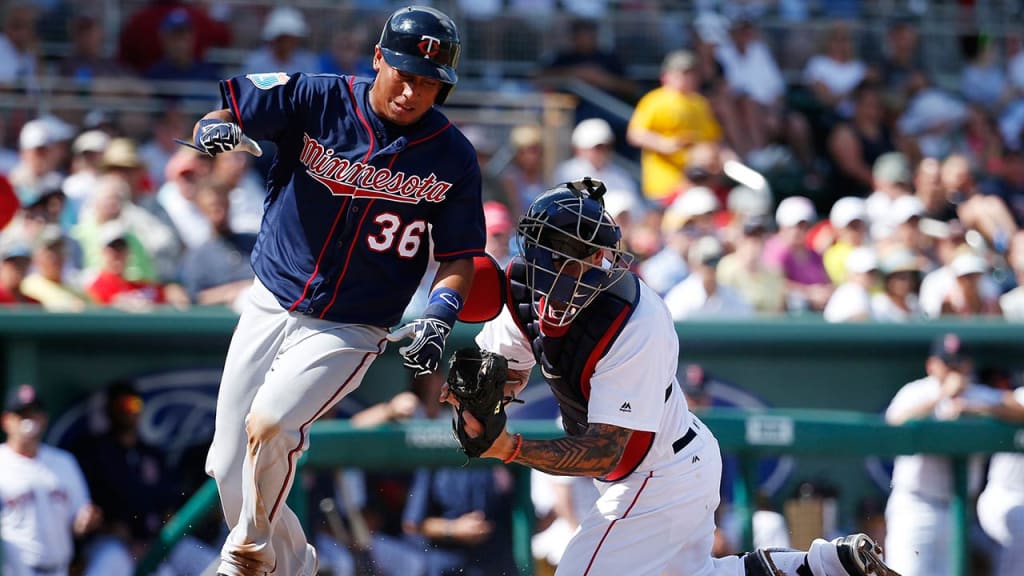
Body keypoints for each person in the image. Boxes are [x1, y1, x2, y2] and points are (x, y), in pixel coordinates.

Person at [454, 178, 899, 576]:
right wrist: (479, 400)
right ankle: (827, 567)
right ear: (537, 252)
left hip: (658, 472)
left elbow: (608, 450)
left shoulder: (635, 316)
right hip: (667, 462)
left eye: (597, 252)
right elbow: (506, 369)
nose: (594, 262)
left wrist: (509, 447)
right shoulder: (520, 289)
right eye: (573, 254)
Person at [195, 6, 485, 576]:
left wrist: (438, 317)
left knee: (273, 425)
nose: (412, 90)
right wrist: (215, 124)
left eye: (429, 81)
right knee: (229, 466)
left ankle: (247, 556)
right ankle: (296, 567)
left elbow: (459, 258)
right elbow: (234, 108)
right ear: (378, 59)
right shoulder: (318, 97)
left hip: (350, 325)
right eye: (404, 72)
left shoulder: (452, 156)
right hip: (271, 297)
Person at [884, 333, 1007, 576]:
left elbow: (1015, 409)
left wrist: (978, 410)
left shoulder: (979, 396)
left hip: (959, 511)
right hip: (916, 506)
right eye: (947, 362)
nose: (954, 368)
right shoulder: (917, 392)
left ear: (969, 365)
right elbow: (892, 424)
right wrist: (941, 396)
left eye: (959, 362)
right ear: (932, 365)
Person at [0, 384, 103, 576]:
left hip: (59, 569)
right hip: (15, 570)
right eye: (22, 415)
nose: (29, 421)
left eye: (34, 414)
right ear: (6, 421)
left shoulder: (64, 462)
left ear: (44, 419)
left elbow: (78, 521)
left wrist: (85, 520)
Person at [628, 50, 723, 204]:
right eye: (682, 73)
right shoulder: (655, 100)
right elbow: (635, 134)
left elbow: (713, 139)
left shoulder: (700, 103)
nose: (688, 78)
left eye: (691, 73)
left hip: (696, 184)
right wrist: (664, 144)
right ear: (666, 76)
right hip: (664, 186)